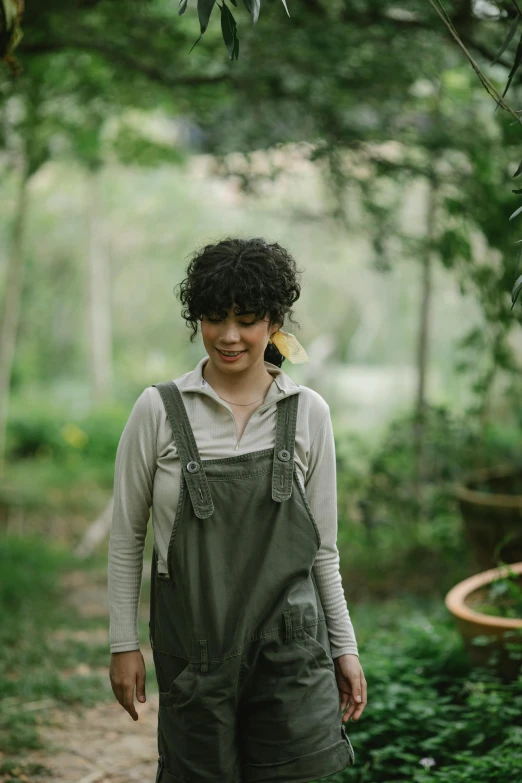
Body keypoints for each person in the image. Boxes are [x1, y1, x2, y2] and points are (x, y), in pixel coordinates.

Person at [108, 237, 367, 782]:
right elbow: (128, 537)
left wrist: (344, 648)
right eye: (213, 317)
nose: (228, 336)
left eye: (246, 320)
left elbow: (323, 550)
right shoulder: (157, 411)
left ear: (274, 322)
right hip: (194, 654)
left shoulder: (307, 413)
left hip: (291, 653)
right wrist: (122, 644)